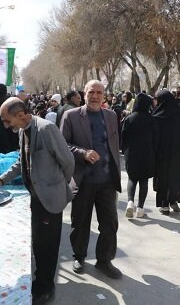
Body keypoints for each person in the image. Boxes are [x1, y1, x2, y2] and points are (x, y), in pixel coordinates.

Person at [0, 97, 74, 304]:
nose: (5, 125)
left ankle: (45, 287)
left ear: (20, 115)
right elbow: (21, 162)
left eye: (6, 120)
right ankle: (41, 280)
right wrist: (2, 179)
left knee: (48, 245)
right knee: (38, 242)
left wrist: (57, 185)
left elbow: (68, 161)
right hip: (36, 198)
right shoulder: (22, 131)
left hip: (50, 198)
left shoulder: (46, 130)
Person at [60, 80, 122, 279]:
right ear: (84, 94)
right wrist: (83, 153)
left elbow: (114, 145)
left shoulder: (111, 116)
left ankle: (104, 261)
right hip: (83, 180)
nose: (95, 96)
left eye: (99, 93)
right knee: (80, 222)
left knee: (110, 223)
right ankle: (79, 256)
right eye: (91, 92)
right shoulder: (71, 116)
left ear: (104, 95)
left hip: (107, 181)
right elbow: (62, 145)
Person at [152, 90, 180, 215]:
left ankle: (164, 204)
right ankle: (173, 199)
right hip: (178, 153)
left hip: (161, 155)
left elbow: (152, 138)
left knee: (162, 178)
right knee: (176, 177)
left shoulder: (156, 117)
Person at [122, 93, 158, 218]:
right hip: (147, 153)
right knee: (143, 181)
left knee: (132, 178)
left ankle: (130, 202)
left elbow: (123, 138)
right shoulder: (152, 119)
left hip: (131, 153)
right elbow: (156, 139)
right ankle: (140, 208)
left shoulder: (129, 119)